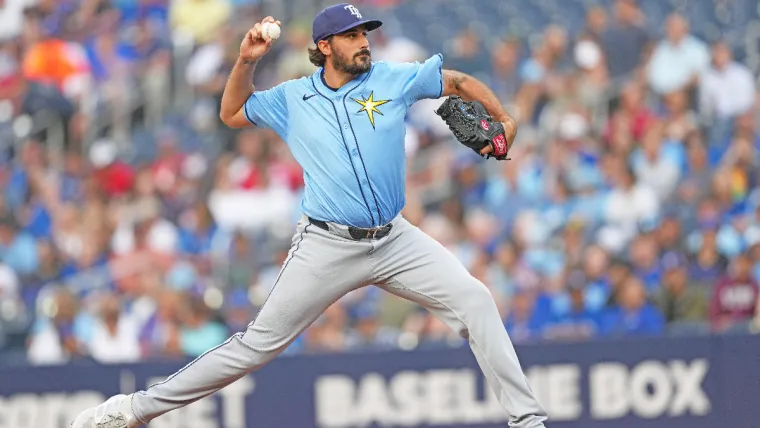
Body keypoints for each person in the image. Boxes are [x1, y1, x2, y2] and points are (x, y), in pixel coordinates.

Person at [71, 4, 547, 428]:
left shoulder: (391, 77)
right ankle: (133, 410)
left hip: (396, 238)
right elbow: (232, 113)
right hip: (328, 244)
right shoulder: (293, 97)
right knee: (257, 344)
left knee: (476, 299)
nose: (365, 42)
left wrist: (504, 119)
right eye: (353, 35)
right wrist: (246, 60)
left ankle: (527, 421)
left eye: (366, 34)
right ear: (325, 46)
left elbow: (458, 82)